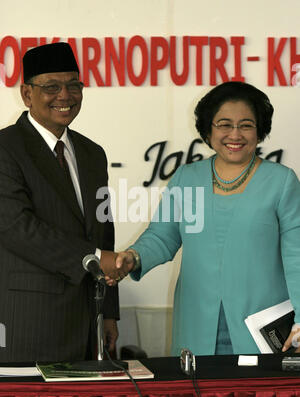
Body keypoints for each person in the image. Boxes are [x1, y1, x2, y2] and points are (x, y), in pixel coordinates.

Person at [111, 81, 300, 356]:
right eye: (224, 124)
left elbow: (297, 256)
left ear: (259, 131)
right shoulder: (187, 178)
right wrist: (133, 257)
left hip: (262, 330)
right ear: (208, 130)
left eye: (246, 125)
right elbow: (163, 236)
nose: (235, 134)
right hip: (196, 324)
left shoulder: (281, 181)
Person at [0, 42, 125, 362]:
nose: (65, 96)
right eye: (51, 87)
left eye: (73, 85)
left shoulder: (92, 153)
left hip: (90, 323)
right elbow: (16, 227)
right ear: (27, 94)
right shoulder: (6, 148)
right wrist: (97, 258)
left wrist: (109, 311)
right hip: (31, 322)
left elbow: (103, 229)